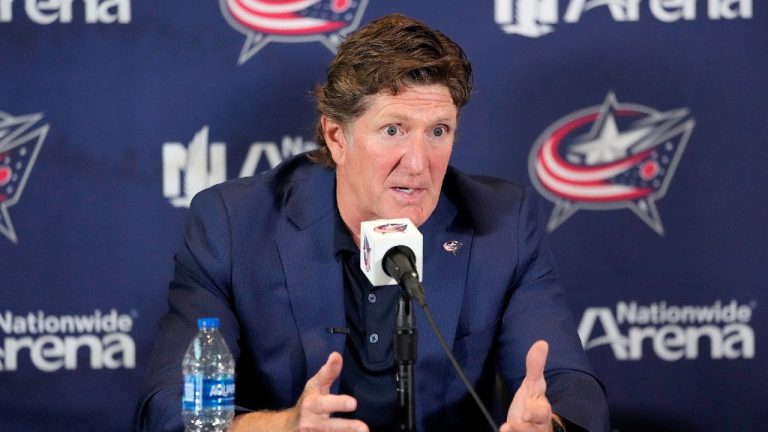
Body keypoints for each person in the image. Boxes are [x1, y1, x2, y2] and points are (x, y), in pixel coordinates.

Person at [137, 13, 609, 432]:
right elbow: (169, 411)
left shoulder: (502, 223)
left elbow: (571, 386)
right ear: (336, 136)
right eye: (393, 130)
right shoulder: (233, 226)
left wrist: (551, 424)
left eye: (438, 132)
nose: (419, 163)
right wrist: (285, 426)